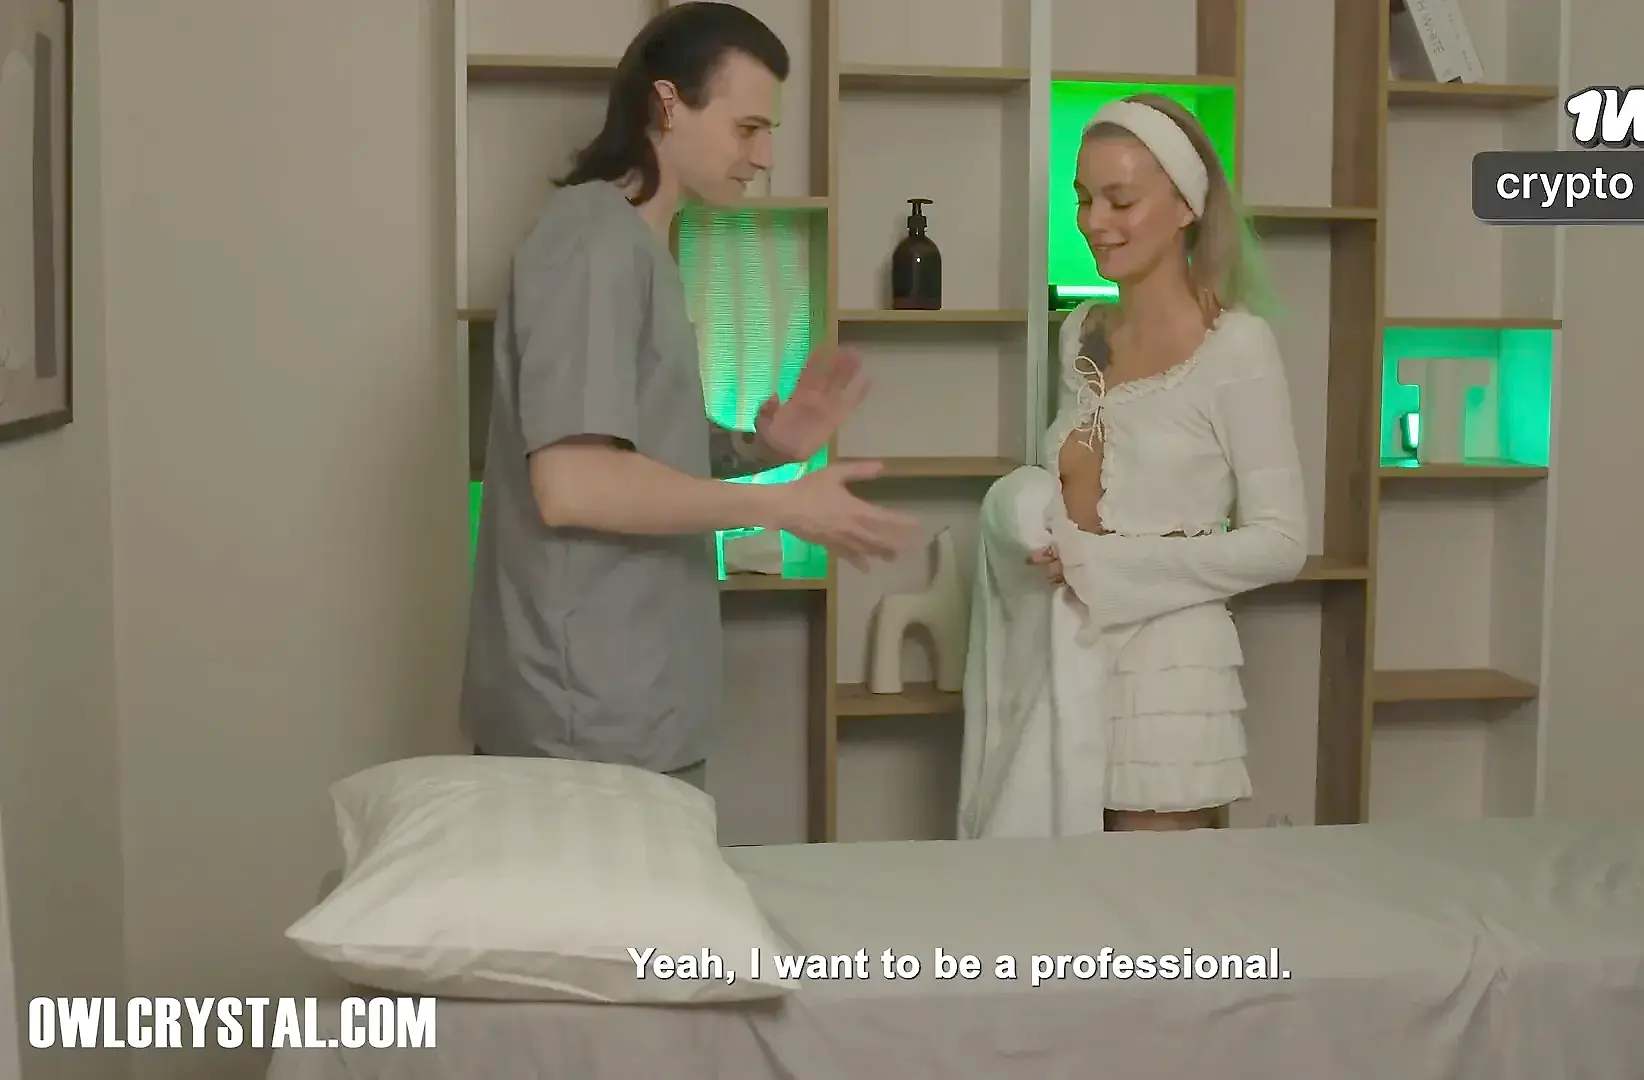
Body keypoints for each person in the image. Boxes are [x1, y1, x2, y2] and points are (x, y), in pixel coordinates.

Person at [460, 2, 919, 788]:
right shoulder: (590, 242)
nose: (764, 156)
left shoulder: (637, 247)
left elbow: (628, 445)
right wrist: (782, 505)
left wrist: (762, 448)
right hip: (584, 724)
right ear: (667, 104)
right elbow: (576, 483)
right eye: (748, 128)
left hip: (634, 705)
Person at [1030, 93, 1310, 831]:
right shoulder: (1080, 332)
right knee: (1056, 889)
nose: (1094, 221)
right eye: (1084, 199)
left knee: (1149, 893)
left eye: (1120, 200)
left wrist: (1103, 565)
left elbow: (1283, 542)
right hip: (1067, 655)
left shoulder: (1236, 348)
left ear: (1186, 206)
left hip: (1170, 681)